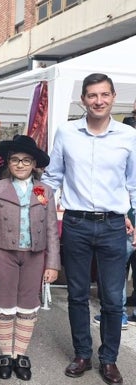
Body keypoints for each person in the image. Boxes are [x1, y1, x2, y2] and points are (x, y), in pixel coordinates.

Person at [42, 73, 136, 385]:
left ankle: (109, 359)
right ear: (83, 99)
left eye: (104, 95)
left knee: (112, 298)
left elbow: (133, 184)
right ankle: (83, 353)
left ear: (112, 97)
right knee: (78, 294)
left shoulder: (127, 136)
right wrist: (29, 200)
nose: (98, 101)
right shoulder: (67, 133)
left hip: (112, 226)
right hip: (76, 224)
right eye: (92, 95)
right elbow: (53, 176)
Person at [0, 135, 60, 381]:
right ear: (8, 163)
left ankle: (20, 353)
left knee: (27, 304)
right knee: (4, 304)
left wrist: (52, 263)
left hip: (35, 256)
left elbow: (51, 229)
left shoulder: (43, 191)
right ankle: (5, 353)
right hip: (4, 253)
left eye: (26, 160)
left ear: (35, 164)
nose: (21, 165)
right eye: (15, 160)